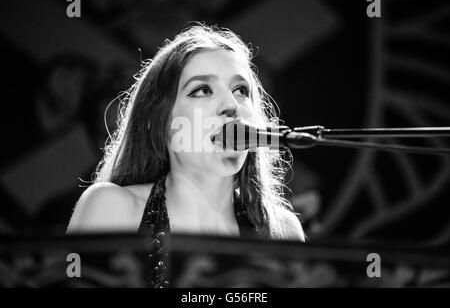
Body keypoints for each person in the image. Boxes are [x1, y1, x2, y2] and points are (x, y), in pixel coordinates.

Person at [67, 23, 304, 287]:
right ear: (159, 121)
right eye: (202, 90)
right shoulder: (112, 206)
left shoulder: (282, 230)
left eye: (241, 91)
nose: (231, 106)